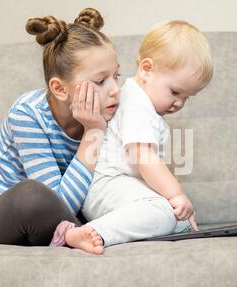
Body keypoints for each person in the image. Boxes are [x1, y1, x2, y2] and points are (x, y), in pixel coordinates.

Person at [0, 8, 120, 254]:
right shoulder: (27, 114)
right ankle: (75, 233)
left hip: (62, 220)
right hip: (3, 219)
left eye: (117, 75)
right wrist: (93, 132)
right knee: (32, 195)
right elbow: (59, 202)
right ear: (60, 89)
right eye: (101, 81)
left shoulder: (109, 108)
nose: (115, 89)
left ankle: (77, 234)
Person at [63, 20, 214, 254]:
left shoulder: (139, 102)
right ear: (146, 69)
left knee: (179, 219)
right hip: (106, 186)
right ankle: (93, 232)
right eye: (175, 92)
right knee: (164, 210)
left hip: (121, 185)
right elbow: (144, 157)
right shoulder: (136, 105)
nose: (179, 104)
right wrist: (176, 194)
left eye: (187, 97)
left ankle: (150, 222)